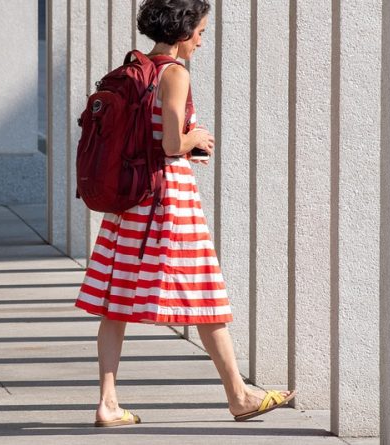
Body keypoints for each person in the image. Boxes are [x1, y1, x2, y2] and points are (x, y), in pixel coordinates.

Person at [74, 0, 296, 427]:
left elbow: (148, 136)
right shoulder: (173, 73)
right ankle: (239, 395)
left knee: (115, 303)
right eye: (200, 31)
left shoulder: (132, 72)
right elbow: (172, 142)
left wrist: (179, 143)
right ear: (183, 29)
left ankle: (108, 402)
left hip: (130, 200)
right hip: (167, 199)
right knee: (206, 293)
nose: (201, 39)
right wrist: (197, 136)